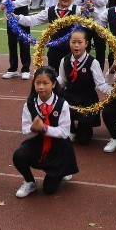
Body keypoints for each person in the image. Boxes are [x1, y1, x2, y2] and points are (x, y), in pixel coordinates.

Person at [13, 66, 79, 197]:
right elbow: (25, 129)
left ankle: (63, 170)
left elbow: (64, 132)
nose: (41, 87)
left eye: (45, 83)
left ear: (53, 84)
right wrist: (33, 129)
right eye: (38, 83)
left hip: (58, 147)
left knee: (49, 190)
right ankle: (29, 182)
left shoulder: (62, 104)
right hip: (38, 143)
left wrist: (44, 129)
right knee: (18, 155)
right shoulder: (30, 104)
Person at [57, 29, 111, 144]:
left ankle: (82, 126)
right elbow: (62, 80)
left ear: (86, 44)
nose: (76, 46)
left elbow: (100, 84)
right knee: (59, 99)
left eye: (80, 42)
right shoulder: (64, 60)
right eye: (73, 42)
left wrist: (113, 91)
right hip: (70, 97)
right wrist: (50, 83)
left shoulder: (93, 62)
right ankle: (71, 128)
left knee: (84, 140)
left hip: (87, 99)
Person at [2, 0, 33, 80]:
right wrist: (4, 4)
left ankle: (25, 68)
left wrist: (12, 3)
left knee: (24, 40)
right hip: (10, 15)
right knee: (11, 41)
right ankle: (13, 68)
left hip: (22, 14)